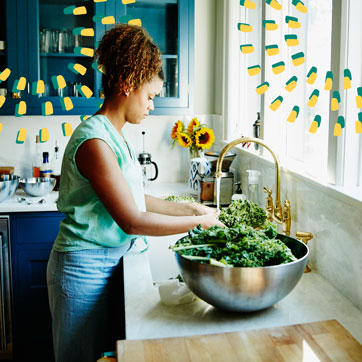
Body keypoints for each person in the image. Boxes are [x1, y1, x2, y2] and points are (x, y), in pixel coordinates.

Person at [46, 23, 223, 362]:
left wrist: (193, 211)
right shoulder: (95, 142)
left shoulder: (115, 134)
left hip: (109, 263)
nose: (152, 105)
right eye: (150, 96)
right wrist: (199, 227)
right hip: (82, 270)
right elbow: (132, 219)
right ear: (127, 86)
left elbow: (137, 200)